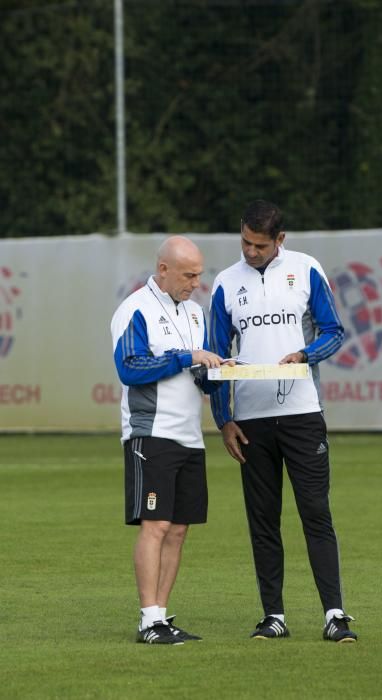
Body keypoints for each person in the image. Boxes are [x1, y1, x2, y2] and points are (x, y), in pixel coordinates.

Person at [209, 200, 357, 643]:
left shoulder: (306, 269)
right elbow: (216, 357)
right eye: (244, 242)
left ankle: (335, 614)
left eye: (259, 245)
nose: (250, 252)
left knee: (316, 513)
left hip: (302, 414)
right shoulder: (224, 282)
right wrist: (224, 419)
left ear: (280, 240)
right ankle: (273, 616)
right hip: (251, 421)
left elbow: (334, 332)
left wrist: (304, 354)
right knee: (263, 520)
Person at [111, 236, 223, 645]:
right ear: (163, 270)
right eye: (189, 274)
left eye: (199, 274)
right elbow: (130, 367)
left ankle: (160, 618)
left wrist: (218, 370)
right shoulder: (134, 309)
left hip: (190, 437)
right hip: (151, 434)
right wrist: (187, 357)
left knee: (178, 529)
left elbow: (198, 374)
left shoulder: (195, 313)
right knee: (156, 525)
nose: (197, 282)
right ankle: (149, 619)